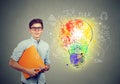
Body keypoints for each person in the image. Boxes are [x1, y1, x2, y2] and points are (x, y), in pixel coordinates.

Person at [9, 18, 50, 84]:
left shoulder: (46, 45)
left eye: (39, 28)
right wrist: (27, 71)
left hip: (42, 82)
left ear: (42, 30)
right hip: (28, 82)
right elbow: (11, 62)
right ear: (30, 30)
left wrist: (46, 68)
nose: (37, 31)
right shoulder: (23, 44)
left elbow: (47, 63)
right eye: (34, 28)